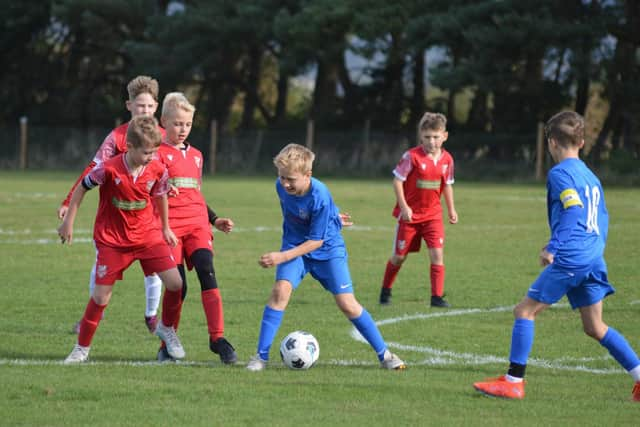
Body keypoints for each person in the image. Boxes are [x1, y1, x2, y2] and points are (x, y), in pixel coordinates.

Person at [473, 111, 640, 401]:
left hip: (573, 255)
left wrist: (554, 246)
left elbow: (573, 209)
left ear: (551, 142)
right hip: (593, 254)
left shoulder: (560, 173)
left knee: (524, 311)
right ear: (583, 142)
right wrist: (593, 249)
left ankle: (514, 382)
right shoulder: (590, 175)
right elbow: (601, 216)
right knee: (594, 326)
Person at [246, 143, 406, 371]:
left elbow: (316, 240)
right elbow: (303, 213)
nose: (285, 183)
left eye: (291, 179)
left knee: (348, 305)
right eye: (281, 177)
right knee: (280, 291)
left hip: (327, 250)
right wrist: (333, 216)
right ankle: (260, 357)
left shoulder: (320, 193)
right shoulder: (280, 187)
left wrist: (282, 256)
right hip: (296, 245)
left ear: (308, 175)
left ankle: (386, 355)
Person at [58, 115, 186, 363]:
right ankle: (81, 348)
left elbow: (160, 195)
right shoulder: (108, 168)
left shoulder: (158, 168)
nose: (152, 157)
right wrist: (68, 221)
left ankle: (167, 328)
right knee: (101, 297)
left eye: (155, 152)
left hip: (147, 236)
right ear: (129, 147)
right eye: (147, 152)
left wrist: (166, 228)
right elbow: (82, 187)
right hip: (113, 240)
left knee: (175, 284)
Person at [58, 75, 164, 333]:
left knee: (155, 270)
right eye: (140, 106)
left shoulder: (162, 136)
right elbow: (94, 169)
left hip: (149, 217)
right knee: (101, 268)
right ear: (129, 106)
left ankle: (152, 317)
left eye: (150, 107)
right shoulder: (117, 138)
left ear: (157, 106)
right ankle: (94, 315)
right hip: (114, 221)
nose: (145, 111)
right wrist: (67, 200)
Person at [155, 92, 237, 364]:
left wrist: (214, 219)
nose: (182, 129)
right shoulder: (154, 154)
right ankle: (168, 340)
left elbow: (196, 193)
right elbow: (147, 192)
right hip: (169, 228)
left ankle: (217, 339)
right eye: (177, 123)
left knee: (206, 268)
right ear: (163, 121)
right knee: (178, 287)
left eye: (187, 124)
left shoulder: (197, 156)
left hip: (197, 224)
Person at [379, 112, 458, 308]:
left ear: (444, 136)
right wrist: (404, 207)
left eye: (436, 137)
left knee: (437, 255)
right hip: (410, 216)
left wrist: (451, 209)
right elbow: (397, 181)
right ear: (420, 137)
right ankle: (385, 290)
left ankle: (436, 297)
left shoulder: (447, 159)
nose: (431, 142)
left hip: (433, 216)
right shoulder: (412, 157)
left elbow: (447, 184)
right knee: (399, 257)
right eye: (427, 137)